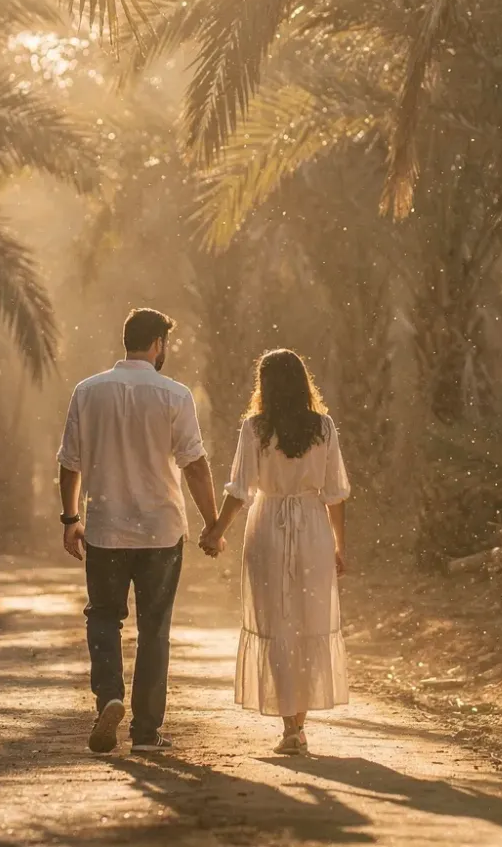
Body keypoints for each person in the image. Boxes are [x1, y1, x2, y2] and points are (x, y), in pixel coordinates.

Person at [56, 308, 220, 754]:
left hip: (106, 529)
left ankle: (109, 695)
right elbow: (196, 465)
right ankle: (146, 733)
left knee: (105, 616)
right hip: (161, 533)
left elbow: (69, 464)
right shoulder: (175, 395)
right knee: (154, 629)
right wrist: (212, 523)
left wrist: (71, 521)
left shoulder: (87, 392)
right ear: (157, 345)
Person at [199, 349, 351, 756]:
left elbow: (239, 490)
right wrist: (339, 545)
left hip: (266, 527)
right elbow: (335, 493)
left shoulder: (255, 429)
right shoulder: (324, 427)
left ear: (264, 385)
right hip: (313, 526)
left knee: (276, 622)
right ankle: (299, 723)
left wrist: (216, 532)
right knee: (309, 620)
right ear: (304, 382)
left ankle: (290, 726)